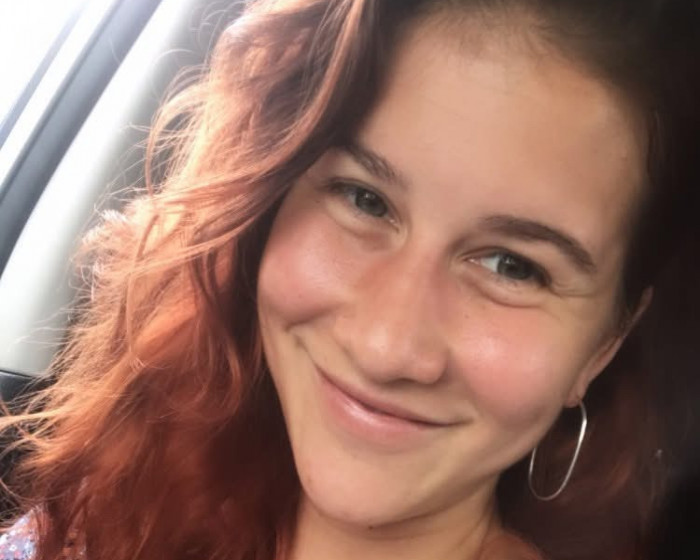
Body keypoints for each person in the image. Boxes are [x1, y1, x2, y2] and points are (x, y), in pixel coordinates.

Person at [1, 0, 699, 559]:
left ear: (603, 345)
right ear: (267, 201)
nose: (385, 346)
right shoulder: (106, 508)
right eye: (365, 200)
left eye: (513, 266)